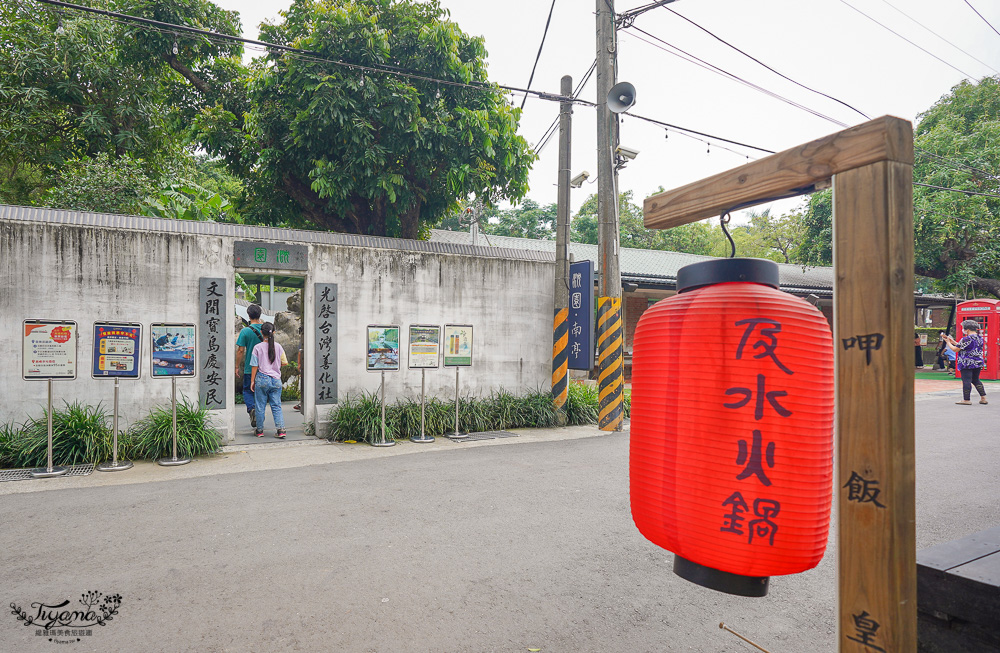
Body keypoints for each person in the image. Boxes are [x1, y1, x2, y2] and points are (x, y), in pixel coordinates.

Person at [250, 321, 287, 438]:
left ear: (261, 332)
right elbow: (284, 363)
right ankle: (281, 430)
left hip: (262, 379)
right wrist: (275, 367)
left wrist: (252, 381)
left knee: (260, 406)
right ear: (274, 332)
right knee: (276, 405)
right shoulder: (279, 347)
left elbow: (254, 366)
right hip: (276, 379)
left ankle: (260, 430)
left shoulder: (257, 347)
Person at [944, 320, 988, 405]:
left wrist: (948, 343)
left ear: (967, 329)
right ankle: (983, 398)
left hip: (966, 363)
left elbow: (955, 349)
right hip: (978, 362)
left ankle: (966, 400)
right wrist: (954, 342)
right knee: (976, 379)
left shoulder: (966, 339)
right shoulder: (979, 338)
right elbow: (966, 347)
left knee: (966, 380)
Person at [236, 305, 264, 428]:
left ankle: (252, 409)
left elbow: (240, 351)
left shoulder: (245, 331)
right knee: (261, 393)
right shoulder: (266, 329)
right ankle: (259, 416)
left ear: (248, 315)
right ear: (260, 315)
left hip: (249, 368)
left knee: (247, 390)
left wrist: (236, 366)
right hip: (265, 368)